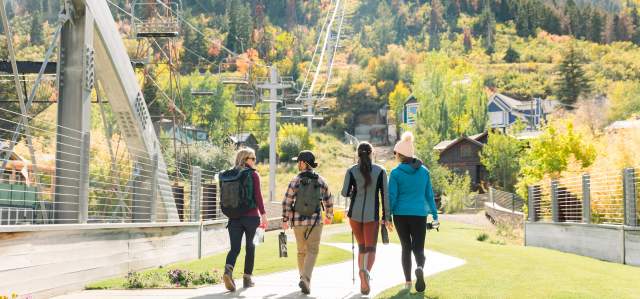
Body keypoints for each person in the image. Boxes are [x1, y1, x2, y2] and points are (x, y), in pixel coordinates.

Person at [388, 132, 439, 293]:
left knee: (406, 247)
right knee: (419, 248)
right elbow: (429, 195)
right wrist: (435, 215)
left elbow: (392, 196)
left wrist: (387, 215)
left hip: (400, 215)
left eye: (396, 153)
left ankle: (408, 282)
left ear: (401, 155)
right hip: (419, 214)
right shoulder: (424, 172)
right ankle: (420, 268)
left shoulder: (395, 173)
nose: (395, 155)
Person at [341, 142, 391, 295]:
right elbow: (385, 196)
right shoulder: (380, 171)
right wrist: (387, 217)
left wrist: (355, 192)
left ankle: (363, 275)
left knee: (361, 247)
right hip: (372, 216)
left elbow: (344, 192)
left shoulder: (351, 171)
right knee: (371, 249)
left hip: (354, 216)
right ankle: (365, 273)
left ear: (358, 154)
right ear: (371, 154)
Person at [282, 150, 334, 295]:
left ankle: (302, 277)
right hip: (315, 222)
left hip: (298, 223)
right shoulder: (320, 180)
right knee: (313, 251)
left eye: (299, 162)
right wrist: (329, 215)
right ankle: (305, 279)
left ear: (304, 163)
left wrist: (285, 219)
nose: (297, 164)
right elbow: (329, 199)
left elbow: (287, 201)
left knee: (301, 251)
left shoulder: (295, 180)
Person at [223, 148, 268, 291]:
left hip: (234, 218)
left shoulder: (229, 175)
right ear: (245, 159)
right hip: (251, 218)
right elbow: (258, 196)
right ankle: (247, 278)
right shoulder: (253, 175)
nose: (255, 161)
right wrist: (264, 215)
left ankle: (228, 272)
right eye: (253, 158)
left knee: (234, 248)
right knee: (251, 247)